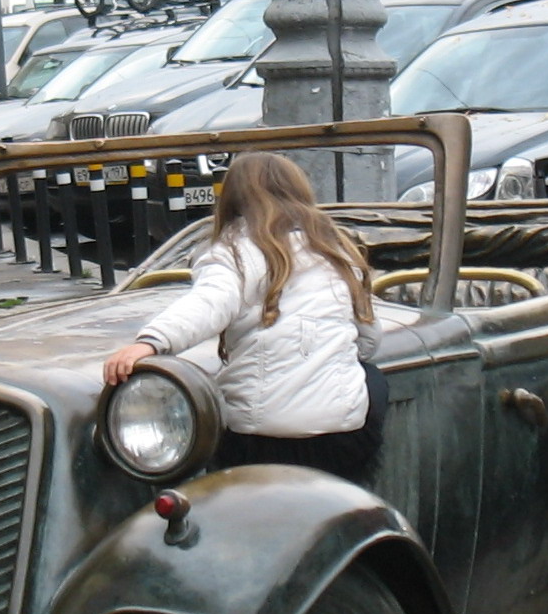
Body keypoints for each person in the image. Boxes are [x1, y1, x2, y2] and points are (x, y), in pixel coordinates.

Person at [103, 152, 388, 482]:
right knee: (370, 377)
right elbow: (368, 340)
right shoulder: (336, 252)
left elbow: (209, 303)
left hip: (258, 440)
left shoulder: (234, 250)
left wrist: (152, 342)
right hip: (341, 438)